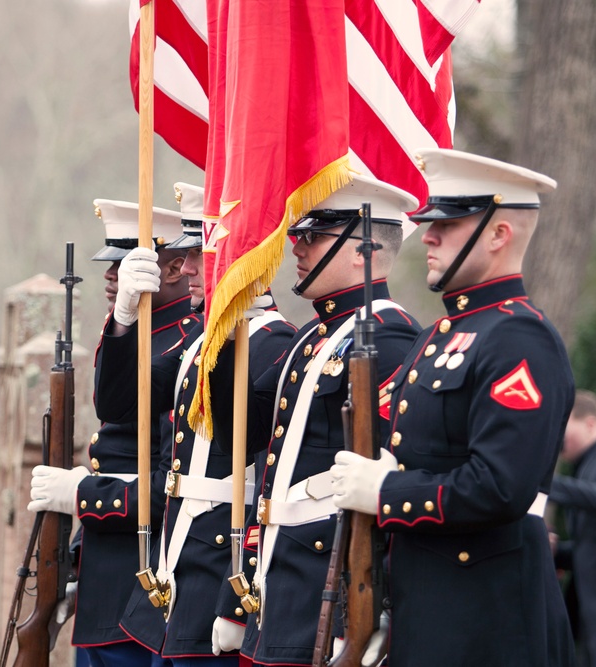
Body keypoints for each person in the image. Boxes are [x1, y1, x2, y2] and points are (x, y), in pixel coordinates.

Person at [330, 148, 576, 667]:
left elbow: (500, 487)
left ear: (498, 234)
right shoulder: (442, 335)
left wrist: (386, 492)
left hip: (486, 620)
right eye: (428, 223)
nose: (429, 236)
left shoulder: (518, 337)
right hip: (427, 606)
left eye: (448, 223)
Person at [207, 174, 422, 665]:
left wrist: (365, 616)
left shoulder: (390, 339)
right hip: (278, 590)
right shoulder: (312, 338)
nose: (296, 248)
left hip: (326, 591)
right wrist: (224, 331)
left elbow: (388, 485)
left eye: (313, 236)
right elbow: (244, 437)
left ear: (361, 249)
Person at [95, 185, 298, 665]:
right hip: (175, 569)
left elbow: (262, 481)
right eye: (185, 257)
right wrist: (123, 318)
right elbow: (120, 402)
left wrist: (236, 599)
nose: (184, 268)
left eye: (197, 256)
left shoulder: (276, 343)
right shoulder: (196, 347)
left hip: (220, 573)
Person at [28, 195, 200, 667]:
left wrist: (84, 495)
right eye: (110, 264)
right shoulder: (130, 332)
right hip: (104, 572)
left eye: (124, 264)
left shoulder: (188, 344)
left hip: (142, 578)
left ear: (172, 268)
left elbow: (171, 484)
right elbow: (113, 445)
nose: (110, 276)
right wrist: (76, 558)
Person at [550, 389, 596, 667]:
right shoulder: (583, 466)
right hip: (590, 615)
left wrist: (546, 484)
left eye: (563, 426)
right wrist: (558, 552)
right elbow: (593, 545)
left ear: (590, 423)